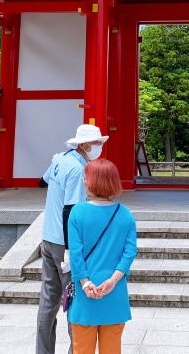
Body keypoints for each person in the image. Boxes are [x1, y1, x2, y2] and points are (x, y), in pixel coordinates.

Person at [36, 124, 108, 354]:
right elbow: (71, 211)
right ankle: (76, 350)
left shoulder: (60, 159)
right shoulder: (78, 170)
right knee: (74, 301)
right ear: (84, 145)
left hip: (48, 237)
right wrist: (70, 249)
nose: (99, 147)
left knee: (48, 301)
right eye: (96, 143)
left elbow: (42, 181)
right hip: (63, 243)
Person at [67, 158, 137, 354]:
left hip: (85, 294)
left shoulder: (77, 212)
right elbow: (129, 253)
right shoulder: (125, 214)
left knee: (82, 350)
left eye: (85, 177)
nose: (83, 181)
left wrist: (85, 283)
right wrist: (113, 281)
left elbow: (75, 253)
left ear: (92, 181)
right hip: (114, 293)